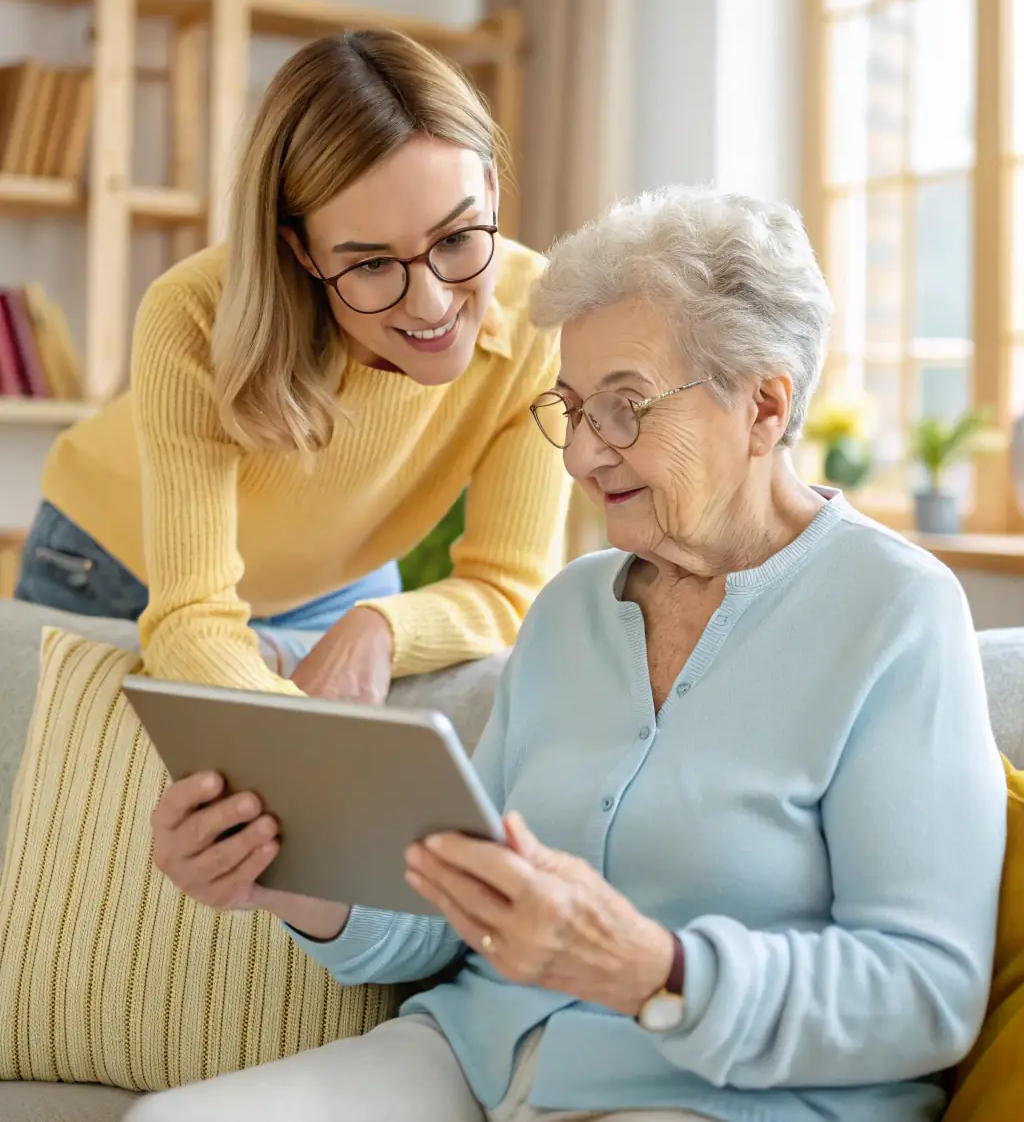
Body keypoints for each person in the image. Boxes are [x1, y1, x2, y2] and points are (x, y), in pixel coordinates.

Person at [128, 187, 1007, 1122]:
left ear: (763, 403)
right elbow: (448, 905)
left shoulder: (896, 613)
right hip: (475, 1056)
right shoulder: (569, 610)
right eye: (572, 408)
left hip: (720, 1096)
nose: (585, 454)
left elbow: (927, 992)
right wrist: (295, 876)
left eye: (625, 407)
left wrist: (658, 970)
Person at [15, 31, 571, 701]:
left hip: (339, 585)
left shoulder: (537, 314)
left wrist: (381, 627)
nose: (433, 302)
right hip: (112, 565)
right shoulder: (192, 313)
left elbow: (507, 586)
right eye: (370, 263)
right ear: (302, 250)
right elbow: (191, 616)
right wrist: (293, 735)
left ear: (489, 187)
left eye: (455, 238)